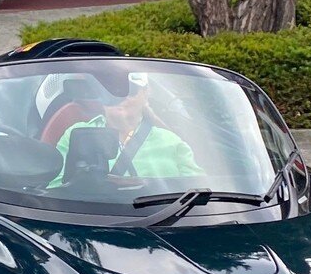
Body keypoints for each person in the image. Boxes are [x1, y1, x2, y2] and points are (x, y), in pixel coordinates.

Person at [53, 70, 204, 187]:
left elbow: (201, 190)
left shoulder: (172, 142)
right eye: (110, 92)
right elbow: (54, 187)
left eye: (130, 90)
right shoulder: (76, 133)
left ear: (146, 92)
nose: (119, 97)